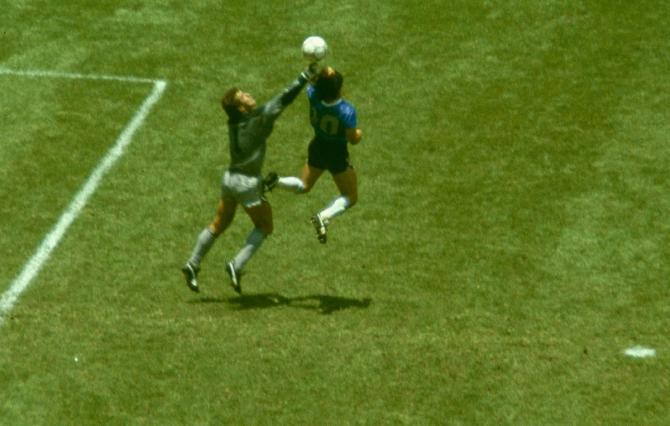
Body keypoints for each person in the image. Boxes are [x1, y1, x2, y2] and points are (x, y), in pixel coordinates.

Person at [182, 65, 317, 294]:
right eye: (243, 95)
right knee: (265, 225)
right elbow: (283, 99)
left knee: (219, 223)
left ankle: (193, 263)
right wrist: (305, 76)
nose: (249, 94)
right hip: (247, 183)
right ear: (241, 107)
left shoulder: (233, 122)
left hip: (229, 178)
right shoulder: (258, 119)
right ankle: (237, 264)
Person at [264, 66, 362, 243]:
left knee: (304, 185)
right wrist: (359, 133)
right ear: (339, 88)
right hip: (337, 154)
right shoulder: (346, 111)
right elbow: (353, 139)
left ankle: (276, 182)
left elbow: (312, 84)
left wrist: (316, 68)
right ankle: (324, 216)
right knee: (350, 196)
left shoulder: (313, 96)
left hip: (317, 146)